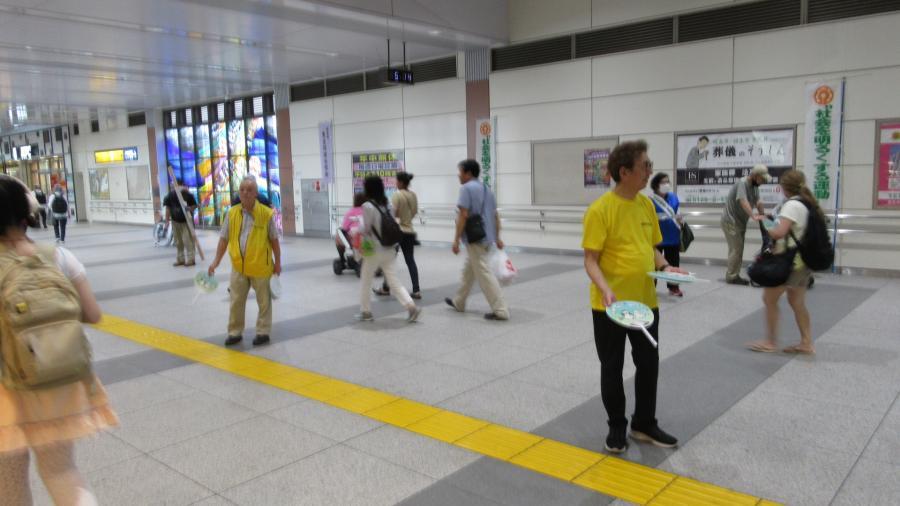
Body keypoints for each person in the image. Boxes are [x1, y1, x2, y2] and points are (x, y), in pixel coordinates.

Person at [0, 175, 117, 506]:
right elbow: (93, 314)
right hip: (58, 380)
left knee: (9, 482)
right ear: (26, 214)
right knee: (62, 472)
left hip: (7, 390)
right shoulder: (58, 257)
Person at [582, 140, 686, 453]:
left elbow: (652, 248)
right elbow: (590, 259)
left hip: (645, 302)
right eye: (645, 166)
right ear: (624, 172)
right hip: (610, 307)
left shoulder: (645, 206)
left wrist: (667, 266)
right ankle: (617, 425)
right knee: (612, 367)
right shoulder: (600, 210)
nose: (650, 172)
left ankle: (644, 422)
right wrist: (605, 287)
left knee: (649, 362)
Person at [746, 170, 820, 355]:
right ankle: (806, 342)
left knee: (769, 299)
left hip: (789, 262)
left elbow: (779, 233)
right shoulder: (807, 203)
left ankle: (770, 342)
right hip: (803, 261)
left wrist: (765, 223)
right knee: (797, 302)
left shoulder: (792, 205)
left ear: (784, 188)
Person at [208, 177, 281, 347]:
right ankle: (235, 332)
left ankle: (263, 332)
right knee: (236, 301)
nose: (245, 193)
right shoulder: (232, 213)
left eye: (249, 190)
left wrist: (278, 262)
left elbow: (274, 240)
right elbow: (223, 239)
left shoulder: (265, 213)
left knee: (264, 302)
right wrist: (216, 262)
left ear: (256, 193)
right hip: (239, 266)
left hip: (261, 265)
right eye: (242, 189)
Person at [445, 159, 509, 320]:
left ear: (468, 173)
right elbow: (495, 215)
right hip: (488, 237)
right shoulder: (487, 189)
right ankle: (459, 301)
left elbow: (463, 215)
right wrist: (498, 237)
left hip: (475, 238)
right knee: (469, 270)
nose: (458, 175)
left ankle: (500, 309)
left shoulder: (466, 189)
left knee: (484, 273)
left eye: (460, 172)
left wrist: (456, 240)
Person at [356, 176, 421, 322]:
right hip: (390, 247)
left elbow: (366, 229)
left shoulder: (367, 206)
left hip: (374, 249)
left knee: (366, 279)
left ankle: (366, 312)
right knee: (393, 280)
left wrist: (356, 229)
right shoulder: (388, 204)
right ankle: (411, 307)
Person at [373, 172, 421, 299]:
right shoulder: (413, 195)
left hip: (398, 232)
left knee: (389, 260)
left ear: (400, 182)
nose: (396, 183)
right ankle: (416, 290)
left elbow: (393, 214)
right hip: (409, 230)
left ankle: (385, 288)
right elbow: (414, 211)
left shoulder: (397, 195)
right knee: (410, 260)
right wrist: (407, 219)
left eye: (396, 181)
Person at [721, 164, 770, 285]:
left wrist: (763, 216)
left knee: (738, 249)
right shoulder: (742, 183)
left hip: (740, 222)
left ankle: (733, 274)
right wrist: (753, 215)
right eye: (762, 179)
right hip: (730, 221)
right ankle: (732, 276)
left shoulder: (755, 186)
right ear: (755, 175)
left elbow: (758, 202)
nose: (763, 182)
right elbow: (743, 201)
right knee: (736, 249)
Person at [649, 173, 684, 297]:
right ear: (656, 185)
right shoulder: (650, 200)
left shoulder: (673, 198)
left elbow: (678, 212)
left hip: (672, 236)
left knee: (674, 263)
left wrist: (680, 219)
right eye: (663, 182)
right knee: (653, 264)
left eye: (667, 182)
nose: (666, 184)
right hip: (656, 238)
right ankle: (650, 287)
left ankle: (674, 287)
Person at [163, 179, 198, 267]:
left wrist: (189, 209)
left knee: (188, 240)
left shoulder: (187, 195)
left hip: (186, 221)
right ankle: (180, 259)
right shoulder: (170, 195)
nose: (175, 187)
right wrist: (167, 221)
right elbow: (168, 208)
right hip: (175, 221)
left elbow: (194, 205)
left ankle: (191, 259)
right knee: (178, 242)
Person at [336, 193, 367, 266]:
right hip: (369, 237)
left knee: (338, 236)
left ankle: (342, 259)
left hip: (355, 239)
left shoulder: (350, 212)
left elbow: (344, 228)